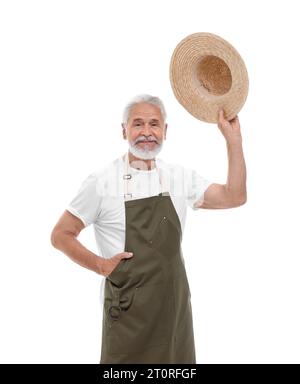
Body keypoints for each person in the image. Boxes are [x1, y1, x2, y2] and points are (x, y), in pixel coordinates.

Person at [50, 94, 247, 363]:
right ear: (124, 131)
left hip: (174, 313)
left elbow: (234, 196)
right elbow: (61, 234)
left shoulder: (178, 177)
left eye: (154, 124)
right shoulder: (102, 181)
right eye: (138, 124)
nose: (146, 132)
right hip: (128, 318)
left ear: (165, 130)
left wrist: (233, 140)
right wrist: (100, 265)